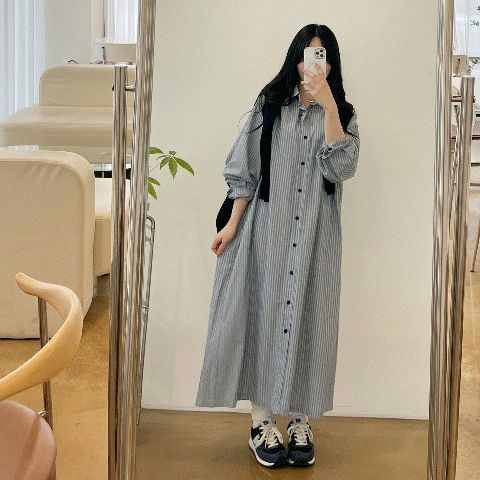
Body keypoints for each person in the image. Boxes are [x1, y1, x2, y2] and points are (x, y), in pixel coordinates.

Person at [195, 24, 360, 468]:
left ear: (332, 63)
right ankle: (262, 422)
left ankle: (301, 421)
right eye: (308, 54)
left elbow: (341, 168)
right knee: (263, 319)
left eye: (322, 55)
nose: (313, 64)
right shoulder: (269, 106)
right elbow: (245, 170)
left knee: (311, 322)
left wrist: (328, 105)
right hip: (266, 234)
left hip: (317, 240)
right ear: (295, 58)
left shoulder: (343, 114)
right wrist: (231, 226)